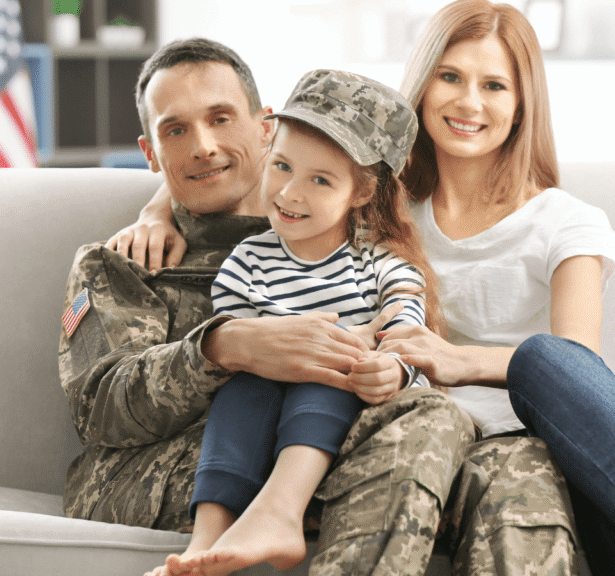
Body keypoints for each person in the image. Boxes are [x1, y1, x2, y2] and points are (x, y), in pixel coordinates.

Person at [110, 3, 615, 576]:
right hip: (404, 420)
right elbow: (256, 163)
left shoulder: (565, 222)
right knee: (430, 432)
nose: (470, 102)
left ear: (522, 104)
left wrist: (457, 359)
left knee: (543, 391)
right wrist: (157, 210)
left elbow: (580, 368)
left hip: (521, 429)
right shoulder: (377, 205)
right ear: (421, 85)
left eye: (494, 85)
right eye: (451, 77)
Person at [59, 37, 473, 576]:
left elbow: (405, 330)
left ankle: (284, 513)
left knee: (451, 429)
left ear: (263, 127)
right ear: (150, 154)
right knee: (420, 436)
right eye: (175, 130)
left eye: (220, 118)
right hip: (177, 473)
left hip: (330, 439)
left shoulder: (344, 240)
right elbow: (100, 408)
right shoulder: (122, 263)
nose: (203, 146)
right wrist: (225, 347)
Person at [148, 68, 445, 576]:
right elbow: (242, 334)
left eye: (320, 179)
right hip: (261, 395)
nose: (290, 193)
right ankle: (208, 535)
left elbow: (407, 334)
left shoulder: (379, 265)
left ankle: (281, 511)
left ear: (360, 191)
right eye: (282, 166)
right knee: (242, 390)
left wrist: (393, 369)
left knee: (330, 368)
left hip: (341, 397)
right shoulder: (249, 259)